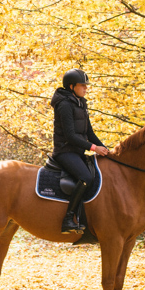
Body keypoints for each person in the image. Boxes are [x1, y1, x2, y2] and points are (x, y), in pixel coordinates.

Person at [50, 68, 110, 234]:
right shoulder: (64, 105)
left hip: (77, 152)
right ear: (71, 87)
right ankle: (68, 218)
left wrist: (105, 149)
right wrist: (93, 148)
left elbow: (89, 133)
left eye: (86, 85)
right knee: (85, 177)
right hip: (65, 151)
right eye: (82, 85)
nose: (86, 88)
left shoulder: (81, 103)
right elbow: (70, 136)